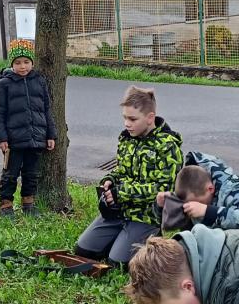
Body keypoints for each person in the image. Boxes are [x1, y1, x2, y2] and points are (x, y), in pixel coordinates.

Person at [74, 85, 183, 267]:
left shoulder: (167, 146)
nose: (127, 123)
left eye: (132, 119)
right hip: (119, 212)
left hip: (146, 216)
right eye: (124, 117)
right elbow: (122, 170)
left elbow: (165, 189)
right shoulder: (127, 139)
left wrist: (120, 193)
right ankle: (121, 239)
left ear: (150, 118)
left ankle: (153, 237)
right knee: (83, 250)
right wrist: (110, 180)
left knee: (118, 263)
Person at [0, 39, 56, 217]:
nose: (23, 66)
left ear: (32, 62)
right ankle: (6, 205)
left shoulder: (39, 82)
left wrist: (51, 135)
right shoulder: (4, 85)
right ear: (12, 64)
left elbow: (46, 110)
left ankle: (28, 203)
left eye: (26, 62)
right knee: (10, 174)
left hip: (36, 138)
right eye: (18, 62)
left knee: (31, 173)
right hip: (14, 140)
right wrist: (1, 138)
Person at [165, 151, 239, 230]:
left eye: (198, 203)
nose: (194, 207)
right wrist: (164, 205)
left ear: (210, 189)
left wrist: (207, 211)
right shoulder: (191, 187)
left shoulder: (231, 186)